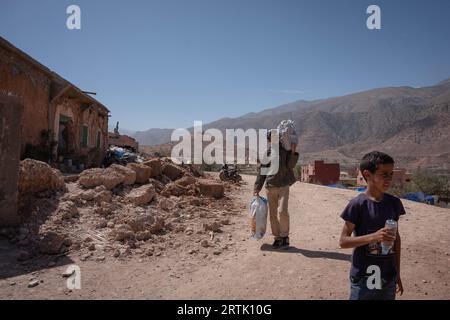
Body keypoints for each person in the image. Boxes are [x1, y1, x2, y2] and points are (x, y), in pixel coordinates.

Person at [339, 151, 405, 300]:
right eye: (384, 174)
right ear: (368, 175)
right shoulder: (357, 205)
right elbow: (343, 241)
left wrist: (397, 273)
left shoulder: (394, 203)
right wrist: (374, 237)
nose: (389, 179)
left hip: (388, 278)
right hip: (363, 279)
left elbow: (397, 240)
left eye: (391, 174)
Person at [254, 129, 299, 248]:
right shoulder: (267, 153)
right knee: (273, 215)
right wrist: (257, 187)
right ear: (269, 140)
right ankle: (277, 237)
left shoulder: (285, 151)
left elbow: (291, 166)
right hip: (270, 187)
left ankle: (285, 236)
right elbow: (262, 173)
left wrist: (293, 152)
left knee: (282, 212)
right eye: (270, 138)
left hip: (283, 186)